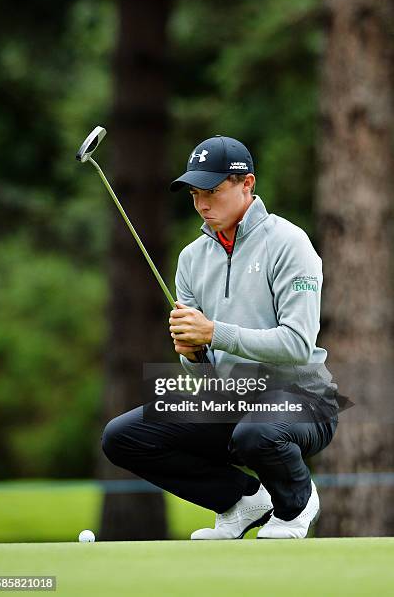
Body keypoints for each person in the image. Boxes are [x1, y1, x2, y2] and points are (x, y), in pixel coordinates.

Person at [101, 135, 338, 539]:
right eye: (195, 193)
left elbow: (297, 344)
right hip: (231, 399)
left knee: (256, 432)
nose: (202, 204)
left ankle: (297, 501)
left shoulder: (289, 243)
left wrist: (214, 331)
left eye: (212, 191)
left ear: (247, 184)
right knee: (123, 437)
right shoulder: (192, 259)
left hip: (303, 398)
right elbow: (204, 364)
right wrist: (192, 353)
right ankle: (240, 501)